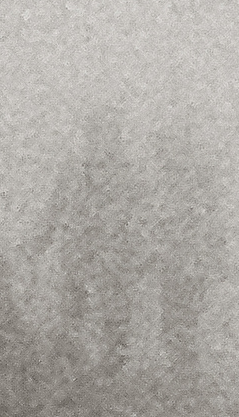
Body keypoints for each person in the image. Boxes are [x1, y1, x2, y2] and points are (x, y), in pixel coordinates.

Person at [29, 104, 149, 376]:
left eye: (107, 132)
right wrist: (40, 241)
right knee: (73, 312)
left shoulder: (129, 175)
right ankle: (71, 370)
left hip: (115, 257)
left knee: (115, 318)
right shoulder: (73, 171)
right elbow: (56, 207)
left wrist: (139, 254)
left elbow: (141, 216)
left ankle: (109, 374)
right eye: (95, 131)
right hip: (79, 253)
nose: (99, 139)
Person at [146, 120, 225, 384]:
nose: (159, 153)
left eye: (163, 146)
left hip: (186, 261)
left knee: (181, 318)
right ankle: (185, 371)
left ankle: (186, 372)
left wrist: (212, 256)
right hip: (178, 261)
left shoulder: (191, 179)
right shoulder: (165, 180)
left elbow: (208, 220)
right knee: (177, 318)